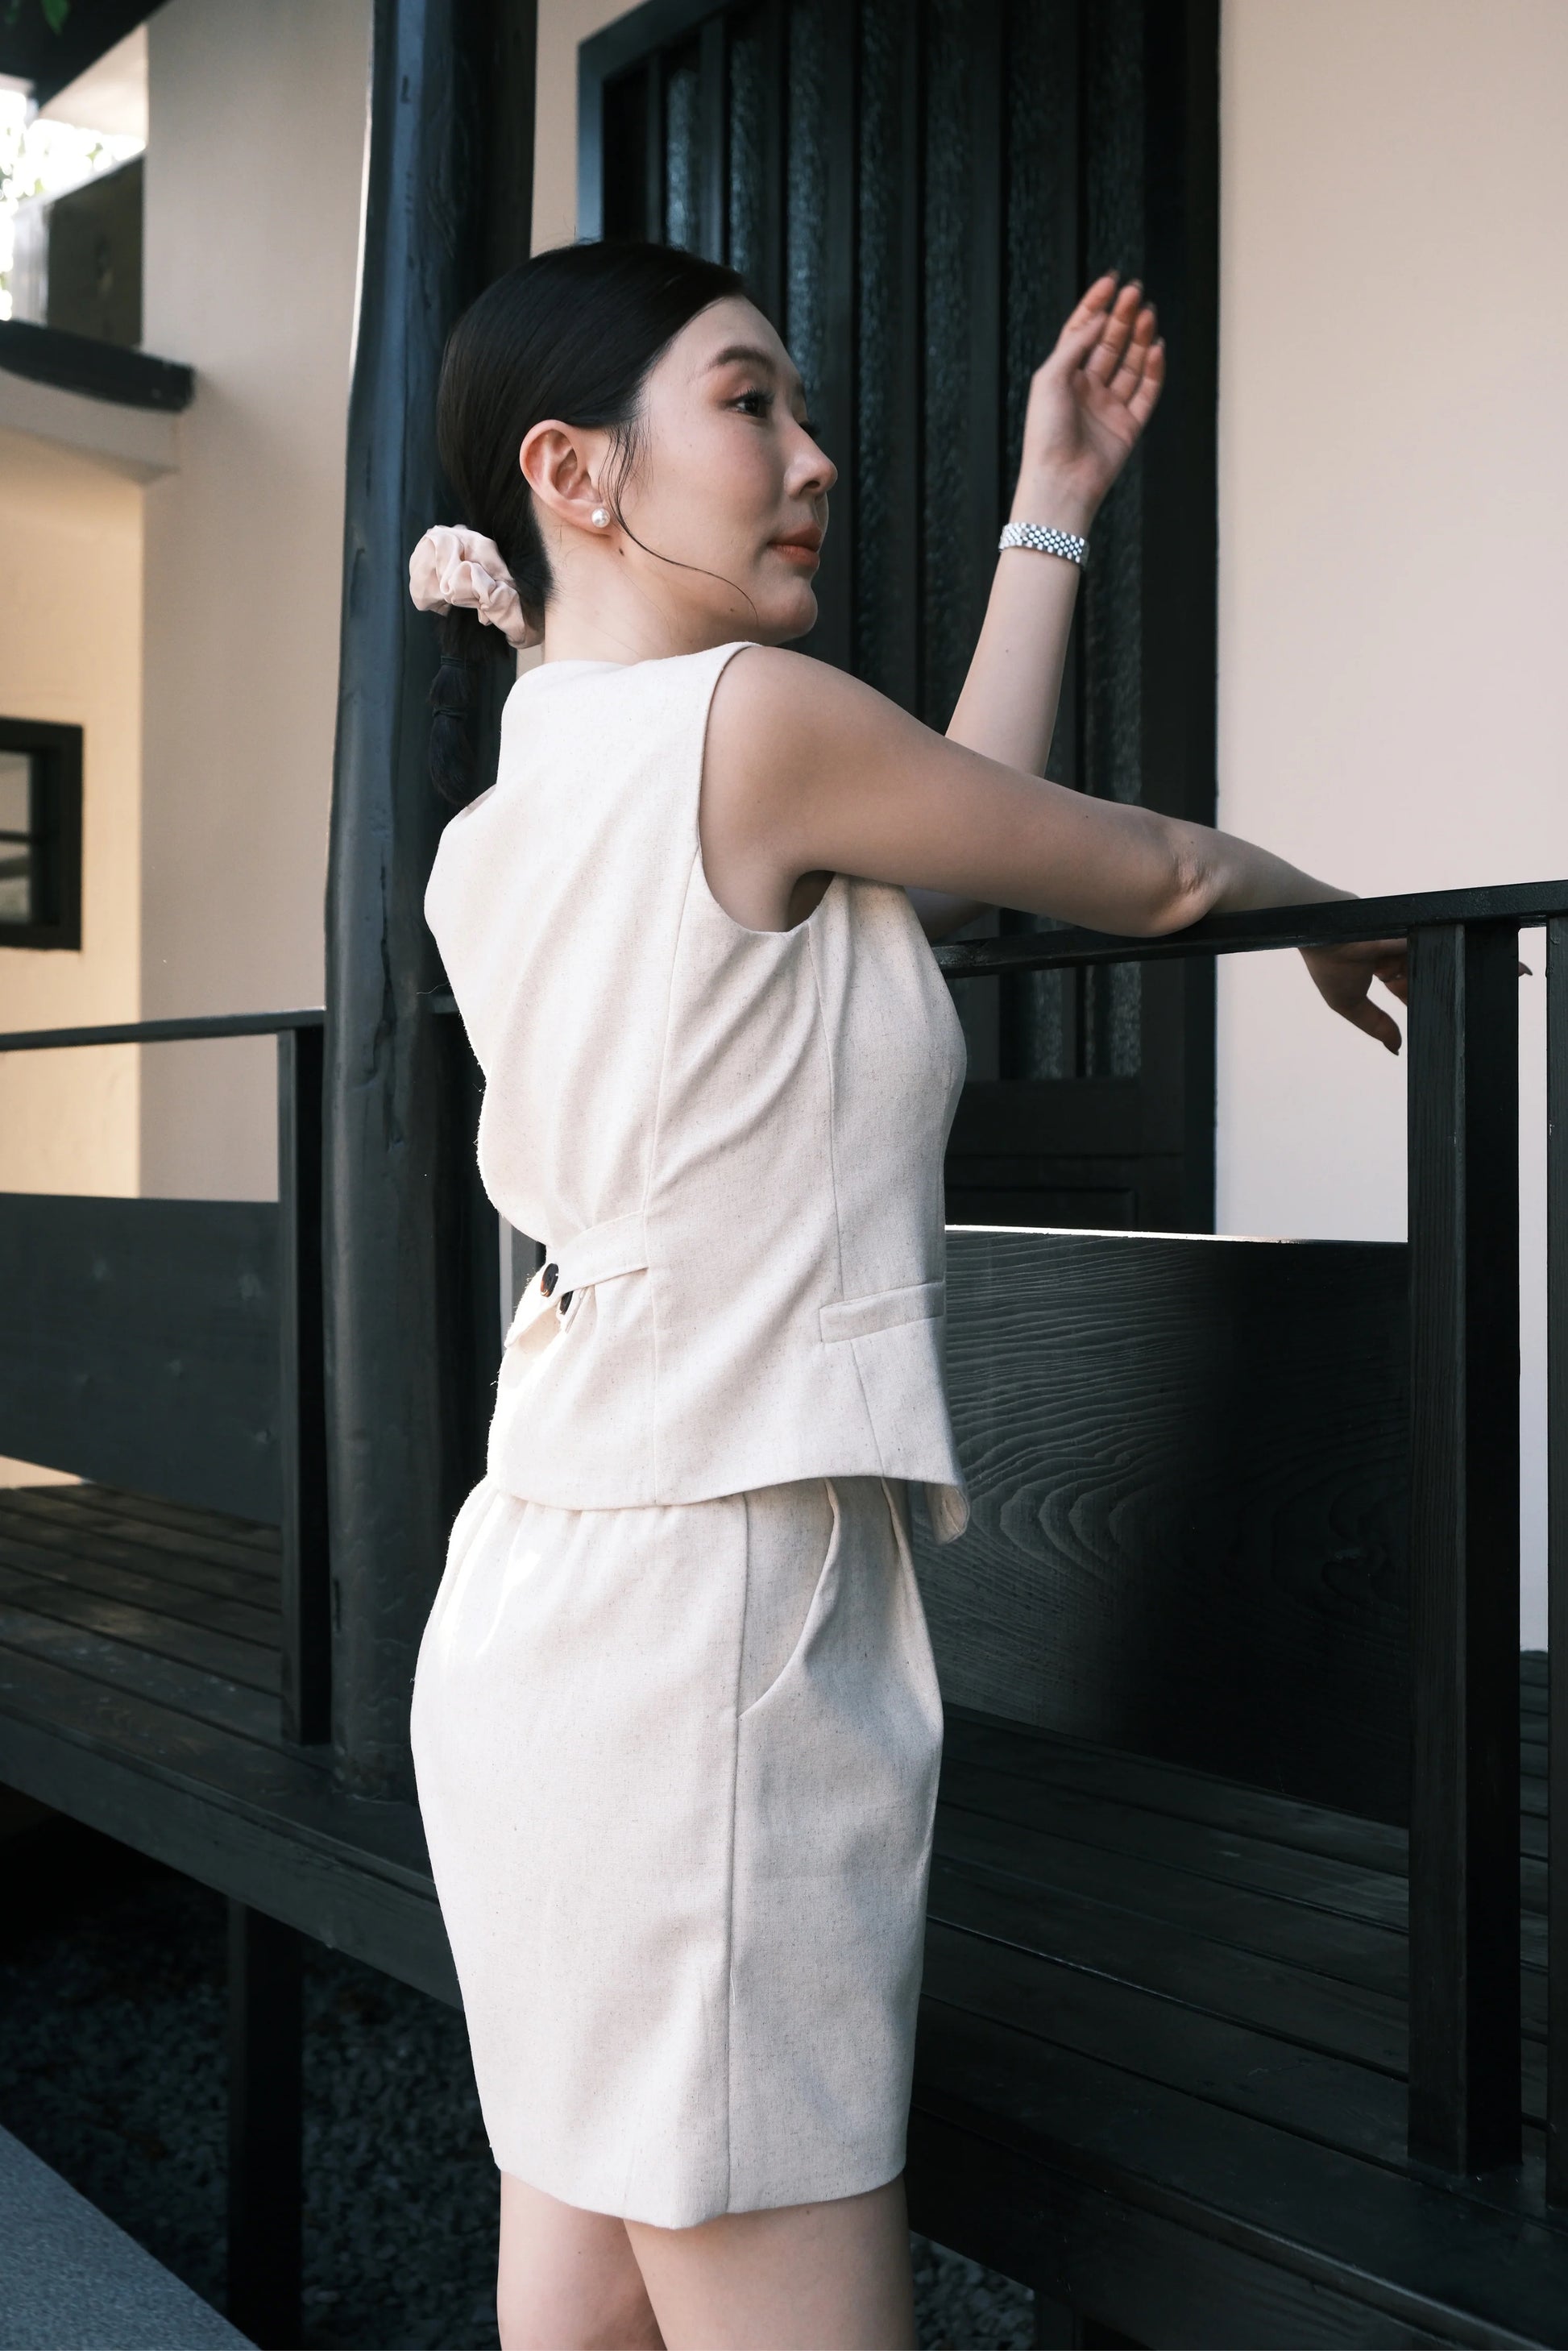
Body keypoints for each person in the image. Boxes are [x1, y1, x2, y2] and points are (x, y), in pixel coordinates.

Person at [406, 239, 1407, 2351]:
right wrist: (1335, 910)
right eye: (747, 401)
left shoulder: (522, 792)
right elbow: (1138, 867)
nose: (812, 455)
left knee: (582, 2315)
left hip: (545, 1614)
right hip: (712, 1647)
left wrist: (1053, 506)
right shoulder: (747, 727)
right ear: (575, 472)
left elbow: (944, 847)